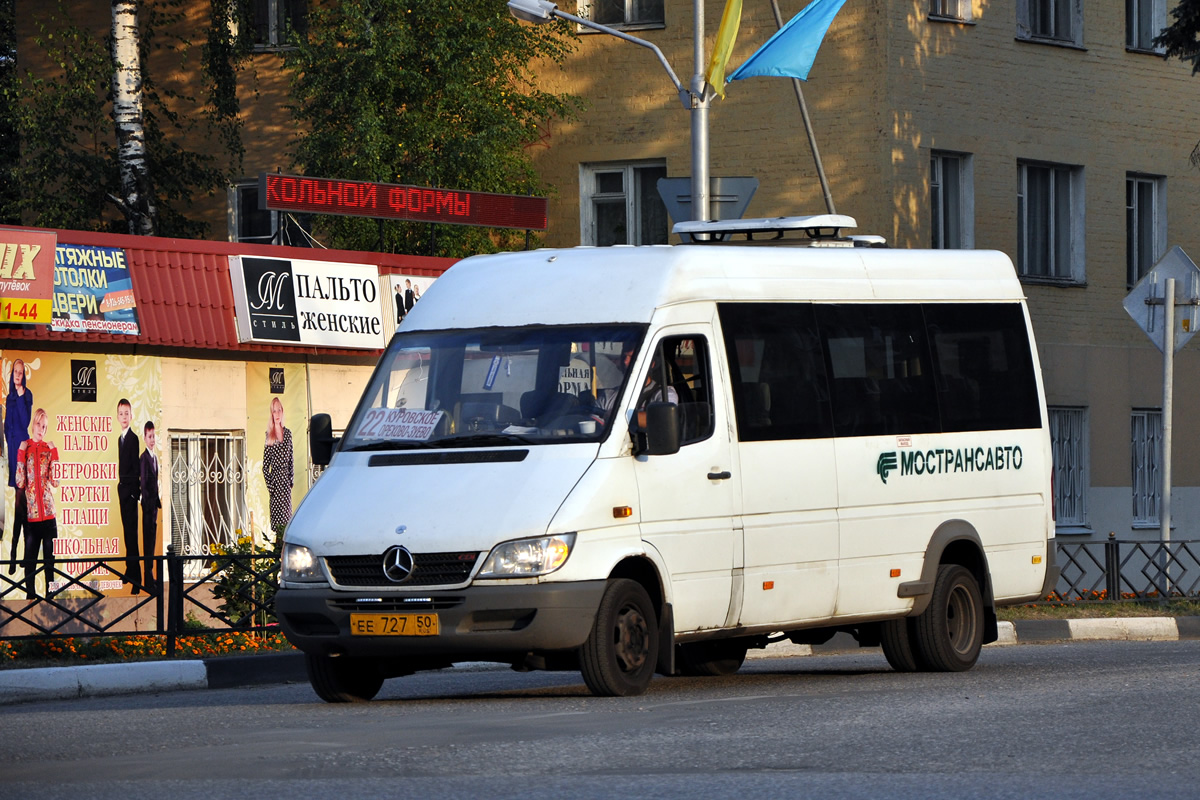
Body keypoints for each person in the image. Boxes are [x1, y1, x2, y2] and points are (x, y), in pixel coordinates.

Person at [15, 408, 59, 599]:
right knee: (30, 562)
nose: (42, 429)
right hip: (31, 518)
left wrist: (55, 452)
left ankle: (51, 599)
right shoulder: (26, 448)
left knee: (50, 563)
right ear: (33, 424)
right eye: (39, 424)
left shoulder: (48, 451)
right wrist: (20, 453)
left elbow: (56, 481)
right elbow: (20, 482)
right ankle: (30, 600)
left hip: (49, 516)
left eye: (45, 426)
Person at [5, 358, 32, 575]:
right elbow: (6, 428)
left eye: (20, 372)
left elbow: (25, 423)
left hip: (24, 453)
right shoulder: (8, 398)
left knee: (21, 504)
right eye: (15, 371)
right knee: (20, 504)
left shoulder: (26, 395)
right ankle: (18, 555)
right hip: (13, 452)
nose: (17, 375)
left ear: (24, 375)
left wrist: (22, 396)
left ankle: (16, 554)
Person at [115, 398, 142, 593]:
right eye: (121, 413)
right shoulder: (120, 439)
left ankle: (137, 578)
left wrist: (134, 493)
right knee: (126, 533)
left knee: (132, 534)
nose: (124, 417)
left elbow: (135, 468)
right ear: (117, 416)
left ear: (131, 416)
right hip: (122, 491)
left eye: (127, 413)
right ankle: (129, 569)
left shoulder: (133, 439)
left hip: (131, 493)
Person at [263, 397, 294, 533]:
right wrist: (271, 487)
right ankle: (277, 551)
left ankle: (284, 550)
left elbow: (291, 460)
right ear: (271, 414)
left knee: (287, 523)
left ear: (283, 412)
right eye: (274, 411)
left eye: (279, 410)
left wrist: (290, 481)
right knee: (277, 525)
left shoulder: (288, 434)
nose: (277, 414)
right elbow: (265, 466)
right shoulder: (269, 436)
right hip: (275, 483)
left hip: (286, 484)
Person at [139, 421, 161, 592]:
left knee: (152, 542)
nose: (152, 439)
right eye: (149, 436)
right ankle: (147, 578)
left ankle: (151, 576)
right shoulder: (144, 458)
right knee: (147, 543)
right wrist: (147, 504)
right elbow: (144, 483)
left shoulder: (154, 457)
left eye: (154, 436)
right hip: (147, 507)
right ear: (144, 438)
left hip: (154, 507)